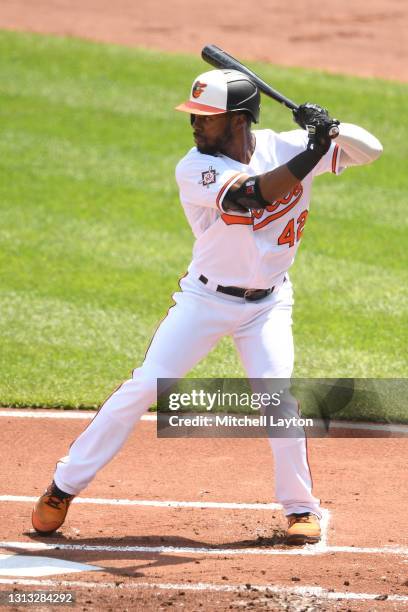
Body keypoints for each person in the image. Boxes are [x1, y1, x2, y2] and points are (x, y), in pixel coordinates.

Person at [31, 68, 382, 545]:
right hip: (205, 300)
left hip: (269, 305)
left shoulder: (286, 146)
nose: (195, 124)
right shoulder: (196, 167)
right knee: (143, 386)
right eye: (194, 115)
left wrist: (330, 128)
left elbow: (372, 150)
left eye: (207, 116)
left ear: (239, 120)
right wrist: (314, 150)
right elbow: (253, 194)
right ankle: (62, 488)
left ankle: (300, 507)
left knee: (278, 398)